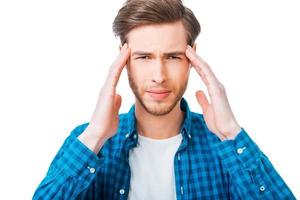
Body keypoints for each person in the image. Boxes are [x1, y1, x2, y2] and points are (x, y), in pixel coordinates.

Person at [33, 0, 296, 199]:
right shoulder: (89, 142)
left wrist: (231, 133)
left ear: (192, 58)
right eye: (144, 57)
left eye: (172, 57)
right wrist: (95, 137)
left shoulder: (226, 148)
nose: (158, 76)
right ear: (123, 61)